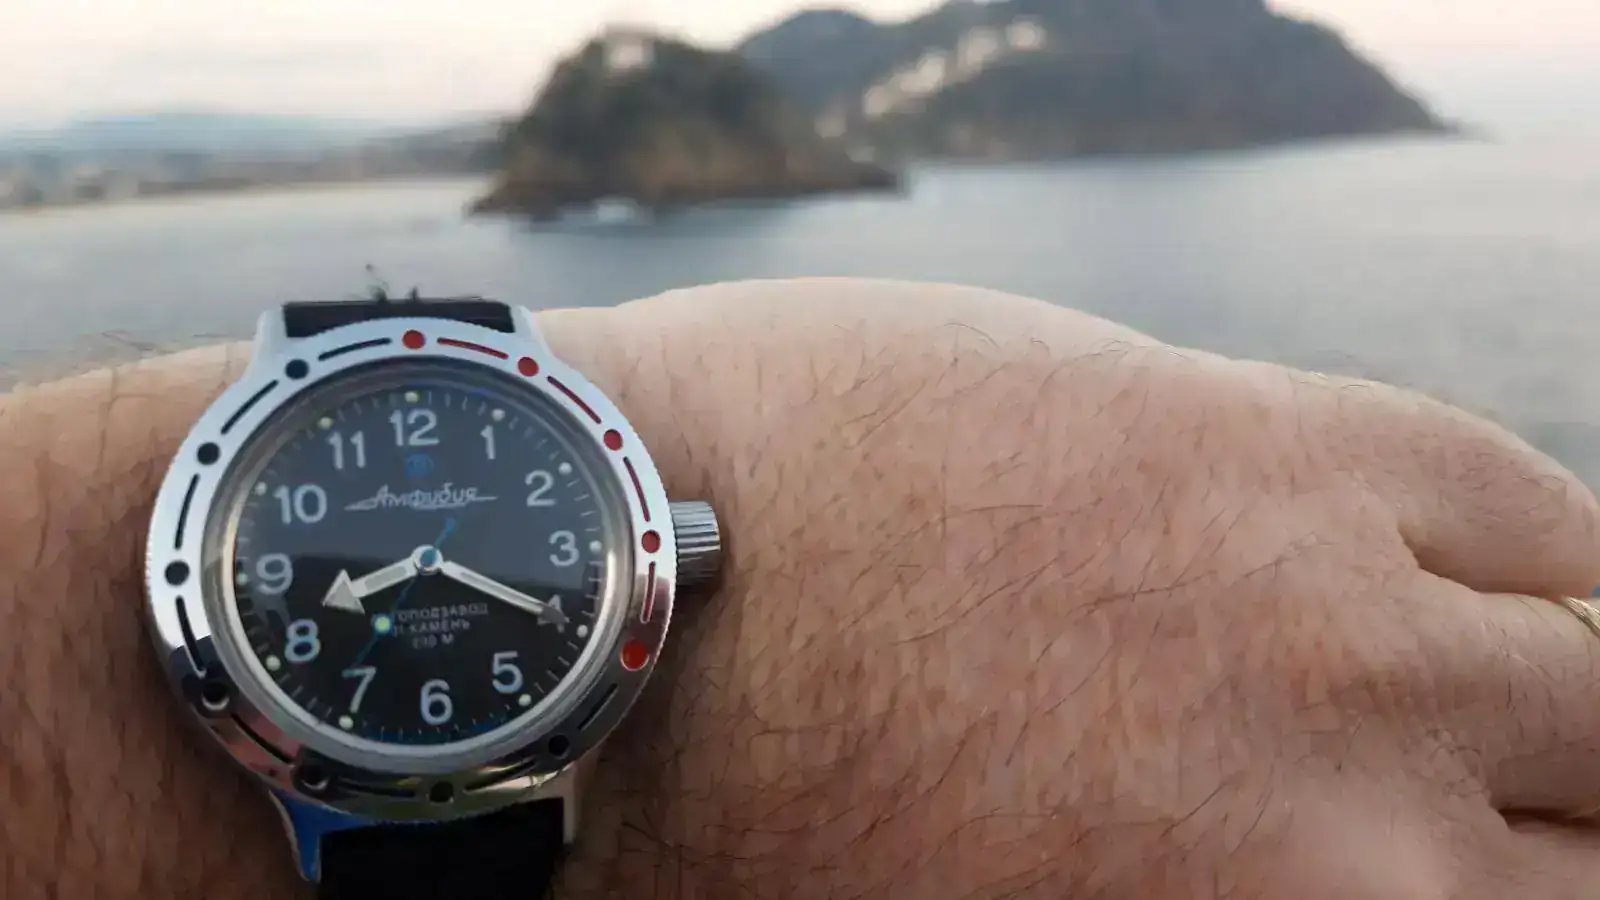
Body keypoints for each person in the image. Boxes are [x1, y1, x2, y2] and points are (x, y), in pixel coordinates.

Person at [2, 277, 1598, 900]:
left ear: (666, 543)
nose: (421, 562)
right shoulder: (242, 543)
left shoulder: (550, 537)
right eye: (393, 556)